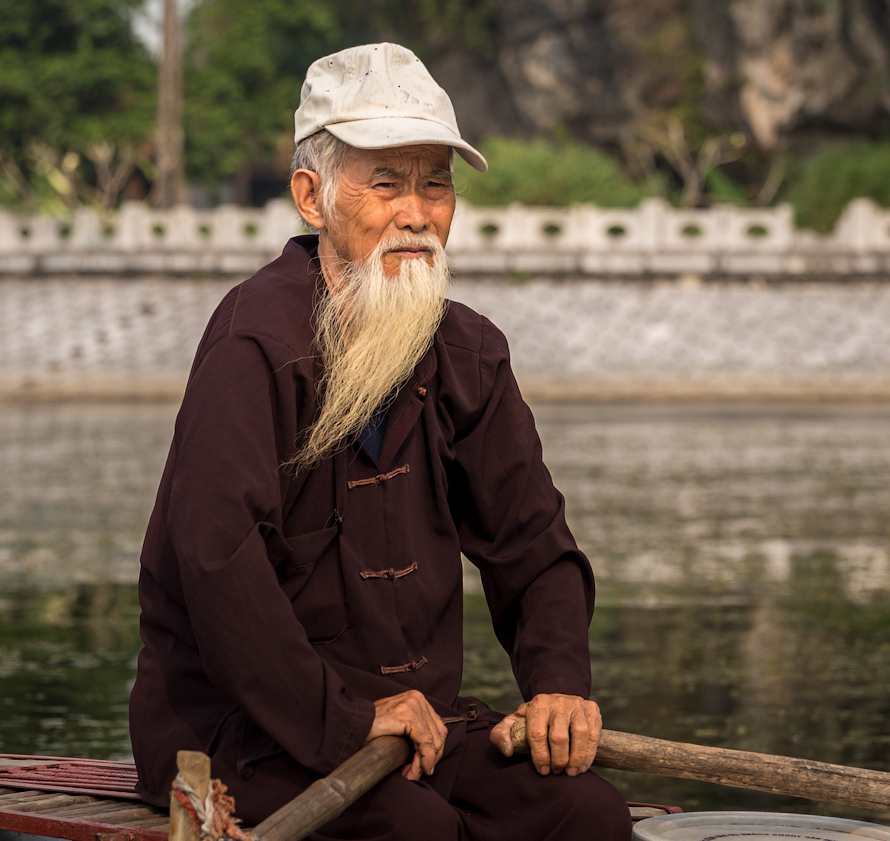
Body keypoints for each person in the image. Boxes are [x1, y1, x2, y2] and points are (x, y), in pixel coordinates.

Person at [129, 42, 631, 841]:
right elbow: (216, 560)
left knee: (587, 813)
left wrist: (559, 684)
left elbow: (534, 546)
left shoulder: (469, 352)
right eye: (387, 183)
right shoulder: (255, 344)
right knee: (413, 831)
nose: (417, 212)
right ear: (312, 197)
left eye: (437, 183)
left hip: (419, 725)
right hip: (238, 726)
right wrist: (342, 718)